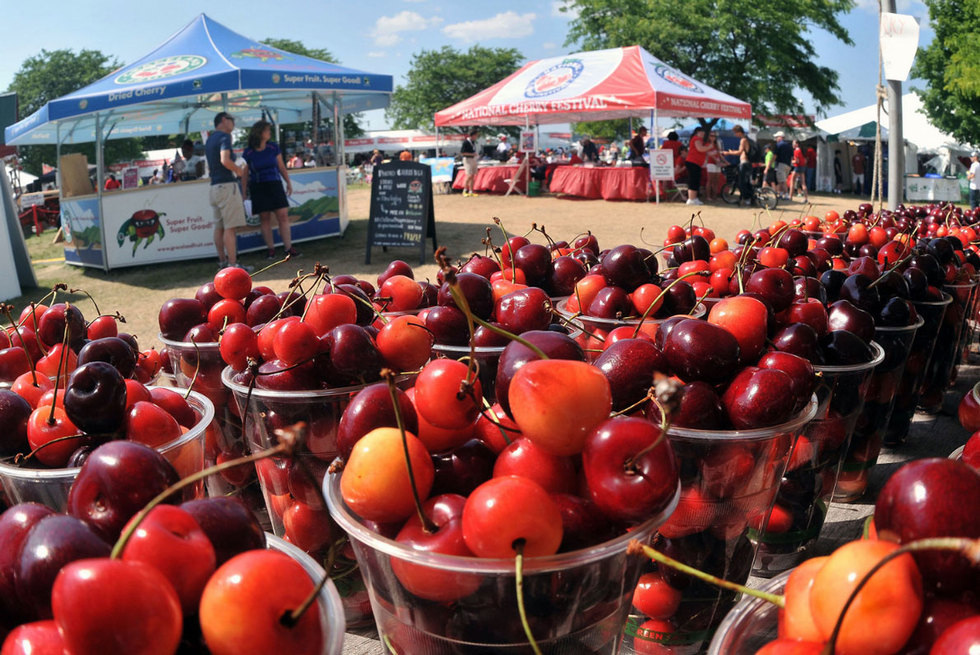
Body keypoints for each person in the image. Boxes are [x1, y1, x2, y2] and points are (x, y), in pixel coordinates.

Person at [242, 119, 299, 261]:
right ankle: (271, 250)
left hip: (275, 184)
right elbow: (244, 174)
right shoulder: (248, 152)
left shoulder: (273, 147)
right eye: (267, 130)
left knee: (283, 216)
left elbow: (281, 167)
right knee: (265, 218)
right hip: (258, 186)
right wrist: (243, 193)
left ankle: (288, 248)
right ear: (259, 132)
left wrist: (288, 183)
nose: (269, 133)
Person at [206, 111, 251, 271]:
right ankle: (233, 265)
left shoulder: (210, 139)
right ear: (224, 120)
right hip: (227, 186)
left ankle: (222, 262)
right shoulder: (224, 137)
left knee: (219, 227)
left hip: (214, 187)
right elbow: (225, 160)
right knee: (230, 228)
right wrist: (239, 171)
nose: (233, 124)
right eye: (232, 120)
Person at [723, 125, 754, 206]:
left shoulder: (743, 140)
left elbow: (740, 152)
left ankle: (747, 199)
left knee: (742, 182)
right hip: (748, 163)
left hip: (744, 163)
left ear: (739, 132)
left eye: (735, 133)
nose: (735, 135)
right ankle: (750, 199)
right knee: (746, 182)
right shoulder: (748, 139)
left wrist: (729, 153)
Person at [685, 126, 712, 205]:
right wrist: (709, 146)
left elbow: (703, 151)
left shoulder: (699, 140)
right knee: (693, 180)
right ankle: (691, 199)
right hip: (693, 162)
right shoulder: (696, 139)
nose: (703, 133)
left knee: (696, 181)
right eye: (701, 132)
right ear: (697, 132)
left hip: (696, 163)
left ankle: (694, 198)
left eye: (703, 132)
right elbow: (700, 148)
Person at [703, 132, 725, 201]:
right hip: (711, 163)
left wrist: (724, 161)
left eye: (714, 136)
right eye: (711, 136)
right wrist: (716, 160)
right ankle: (708, 196)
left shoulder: (716, 145)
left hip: (717, 164)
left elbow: (719, 154)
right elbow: (708, 154)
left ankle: (714, 196)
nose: (713, 137)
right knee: (710, 181)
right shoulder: (707, 144)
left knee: (716, 181)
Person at [773, 131, 793, 199]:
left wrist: (771, 163)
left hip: (781, 164)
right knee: (782, 180)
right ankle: (781, 194)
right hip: (788, 165)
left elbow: (775, 156)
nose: (776, 139)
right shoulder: (789, 145)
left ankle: (786, 195)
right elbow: (792, 157)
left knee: (782, 181)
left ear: (780, 137)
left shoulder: (778, 145)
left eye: (776, 137)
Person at [460, 129, 479, 197]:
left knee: (473, 175)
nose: (477, 137)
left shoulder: (473, 142)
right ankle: (464, 190)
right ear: (473, 135)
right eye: (476, 135)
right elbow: (462, 152)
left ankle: (471, 191)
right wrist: (472, 154)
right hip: (468, 159)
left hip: (473, 159)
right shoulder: (466, 142)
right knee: (469, 175)